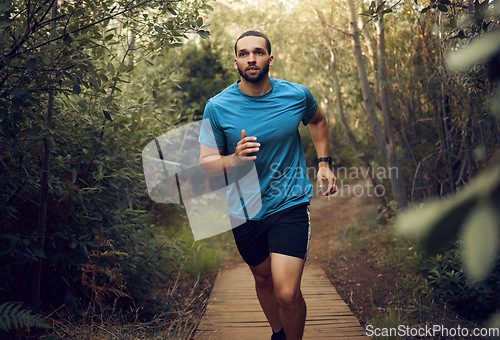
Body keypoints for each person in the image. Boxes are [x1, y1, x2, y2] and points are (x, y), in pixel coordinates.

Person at [198, 30, 337, 340]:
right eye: (244, 53)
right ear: (235, 61)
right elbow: (207, 164)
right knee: (263, 280)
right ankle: (279, 333)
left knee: (287, 293)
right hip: (244, 211)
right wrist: (234, 159)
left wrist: (324, 162)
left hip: (289, 204)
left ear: (270, 59)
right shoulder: (217, 107)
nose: (251, 58)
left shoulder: (296, 96)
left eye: (258, 52)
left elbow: (317, 120)